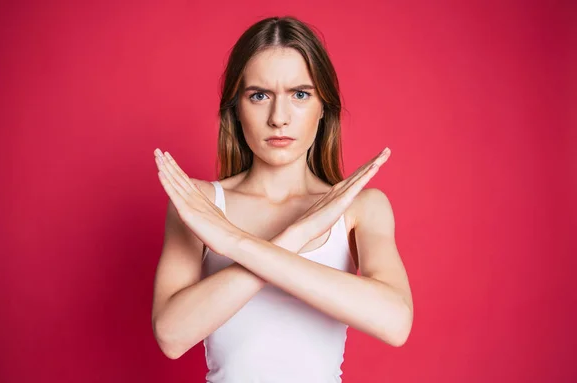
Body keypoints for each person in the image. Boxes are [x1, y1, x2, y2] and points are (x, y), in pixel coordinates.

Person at [151, 15, 413, 383]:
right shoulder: (198, 203)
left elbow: (395, 322)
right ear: (236, 109)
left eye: (300, 95)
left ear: (323, 107)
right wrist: (296, 235)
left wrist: (235, 243)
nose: (279, 118)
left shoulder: (360, 207)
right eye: (259, 96)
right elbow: (172, 336)